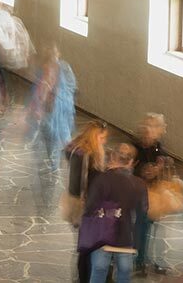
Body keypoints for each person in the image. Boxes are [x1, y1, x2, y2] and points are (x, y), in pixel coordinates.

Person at [84, 143, 149, 283]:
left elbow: (89, 208)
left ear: (113, 157)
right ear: (132, 162)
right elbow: (143, 212)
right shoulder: (139, 184)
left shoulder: (101, 179)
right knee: (124, 273)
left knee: (99, 271)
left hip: (102, 238)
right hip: (126, 239)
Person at [65, 121, 109, 283]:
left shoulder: (88, 152)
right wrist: (85, 206)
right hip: (84, 206)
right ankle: (83, 278)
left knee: (88, 244)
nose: (104, 141)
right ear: (94, 136)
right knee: (86, 246)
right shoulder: (83, 154)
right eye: (102, 137)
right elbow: (80, 183)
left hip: (90, 204)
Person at [30, 44, 77, 172]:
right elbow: (38, 88)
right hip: (49, 109)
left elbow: (71, 85)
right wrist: (38, 105)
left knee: (63, 135)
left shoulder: (64, 67)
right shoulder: (44, 69)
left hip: (61, 108)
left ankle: (66, 160)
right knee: (50, 136)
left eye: (55, 54)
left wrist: (60, 95)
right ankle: (53, 162)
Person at [133, 113, 169, 276]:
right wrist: (147, 171)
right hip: (139, 194)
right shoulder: (136, 147)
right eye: (153, 126)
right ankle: (140, 261)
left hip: (155, 195)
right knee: (141, 228)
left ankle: (152, 260)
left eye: (157, 126)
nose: (162, 129)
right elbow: (135, 170)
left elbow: (163, 164)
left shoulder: (158, 147)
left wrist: (161, 167)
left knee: (153, 229)